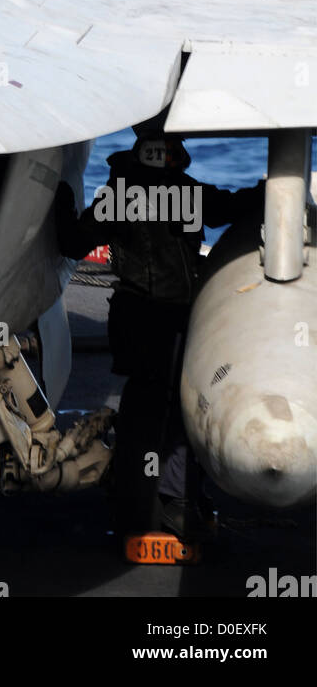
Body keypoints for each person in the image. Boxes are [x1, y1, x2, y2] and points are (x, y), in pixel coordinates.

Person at [56, 125, 264, 548]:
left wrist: (59, 198)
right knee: (175, 416)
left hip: (134, 319)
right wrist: (272, 187)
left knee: (142, 410)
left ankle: (140, 501)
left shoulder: (118, 198)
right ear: (174, 159)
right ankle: (169, 503)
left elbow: (74, 242)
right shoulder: (188, 194)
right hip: (173, 321)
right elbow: (230, 207)